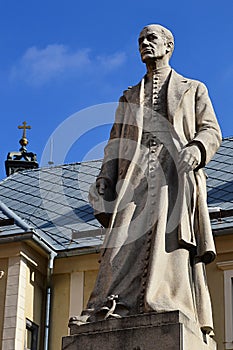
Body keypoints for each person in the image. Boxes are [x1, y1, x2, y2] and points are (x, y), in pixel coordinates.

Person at [74, 24, 222, 333]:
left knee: (169, 243)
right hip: (134, 177)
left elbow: (210, 130)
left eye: (151, 38)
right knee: (120, 241)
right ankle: (108, 305)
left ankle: (167, 299)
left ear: (169, 46)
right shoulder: (128, 96)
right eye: (140, 39)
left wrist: (197, 147)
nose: (144, 43)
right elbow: (114, 145)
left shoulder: (193, 88)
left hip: (174, 175)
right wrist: (106, 177)